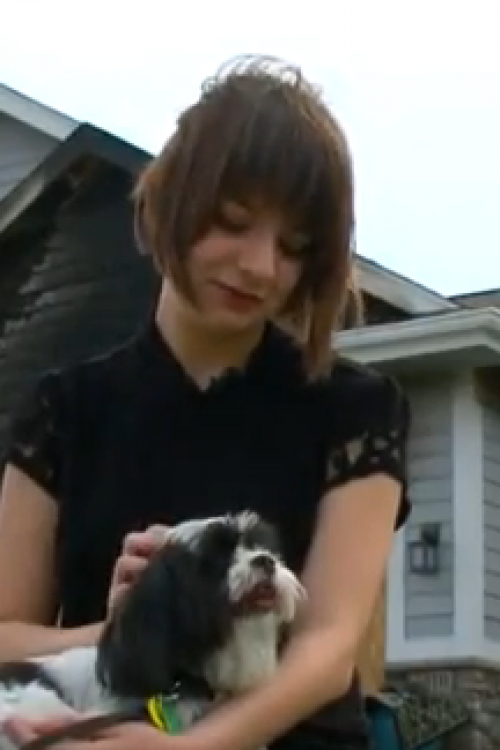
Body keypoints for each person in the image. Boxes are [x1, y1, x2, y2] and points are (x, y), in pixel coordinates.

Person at [0, 55, 410, 750]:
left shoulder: (355, 409)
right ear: (170, 202)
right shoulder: (65, 410)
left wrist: (192, 748)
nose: (260, 265)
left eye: (293, 246)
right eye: (232, 221)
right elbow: (7, 634)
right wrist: (132, 625)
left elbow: (329, 645)